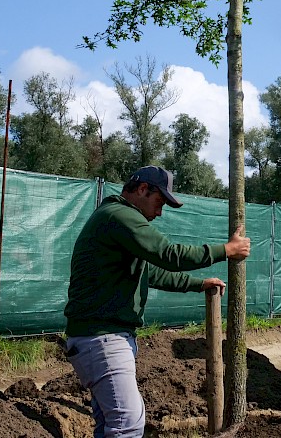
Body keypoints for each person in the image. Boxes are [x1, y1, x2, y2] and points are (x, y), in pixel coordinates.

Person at [63, 166, 251, 437]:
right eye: (159, 202)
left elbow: (151, 273)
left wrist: (198, 284)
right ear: (142, 190)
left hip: (102, 337)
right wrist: (226, 250)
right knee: (127, 425)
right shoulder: (120, 216)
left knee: (109, 424)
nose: (160, 212)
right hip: (102, 339)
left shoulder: (114, 220)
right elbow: (169, 254)